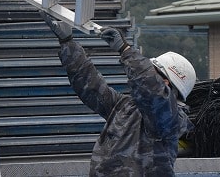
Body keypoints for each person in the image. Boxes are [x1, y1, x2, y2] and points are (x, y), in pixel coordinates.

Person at [41, 11, 196, 176]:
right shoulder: (125, 107)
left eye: (153, 71)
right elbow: (91, 86)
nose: (145, 74)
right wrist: (67, 42)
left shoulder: (171, 120)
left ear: (166, 83)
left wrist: (126, 50)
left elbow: (152, 90)